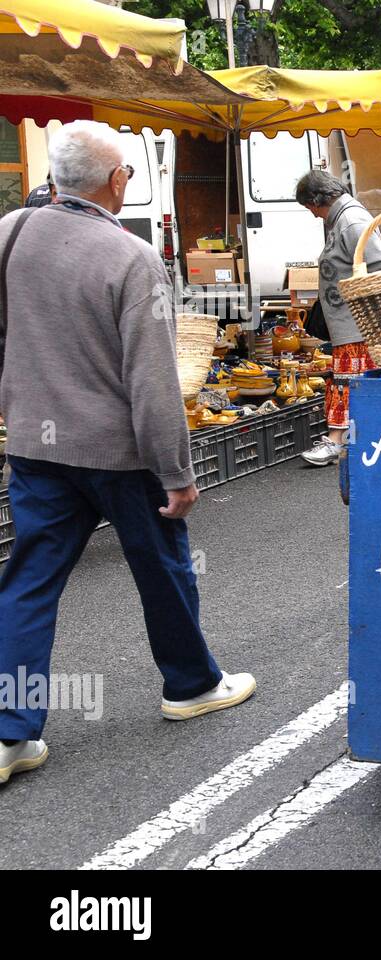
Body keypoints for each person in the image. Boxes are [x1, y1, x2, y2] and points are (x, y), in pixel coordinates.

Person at [0, 121, 256, 784]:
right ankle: (190, 684)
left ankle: (9, 734)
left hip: (35, 444)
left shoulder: (9, 235)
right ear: (117, 181)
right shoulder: (130, 257)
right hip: (116, 452)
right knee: (164, 565)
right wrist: (177, 472)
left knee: (28, 583)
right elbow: (152, 380)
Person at [295, 171, 381, 467]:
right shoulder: (343, 219)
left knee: (347, 382)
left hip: (357, 322)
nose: (312, 214)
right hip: (350, 322)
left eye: (309, 207)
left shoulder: (351, 221)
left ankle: (336, 441)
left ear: (318, 199)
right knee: (350, 381)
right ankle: (347, 440)